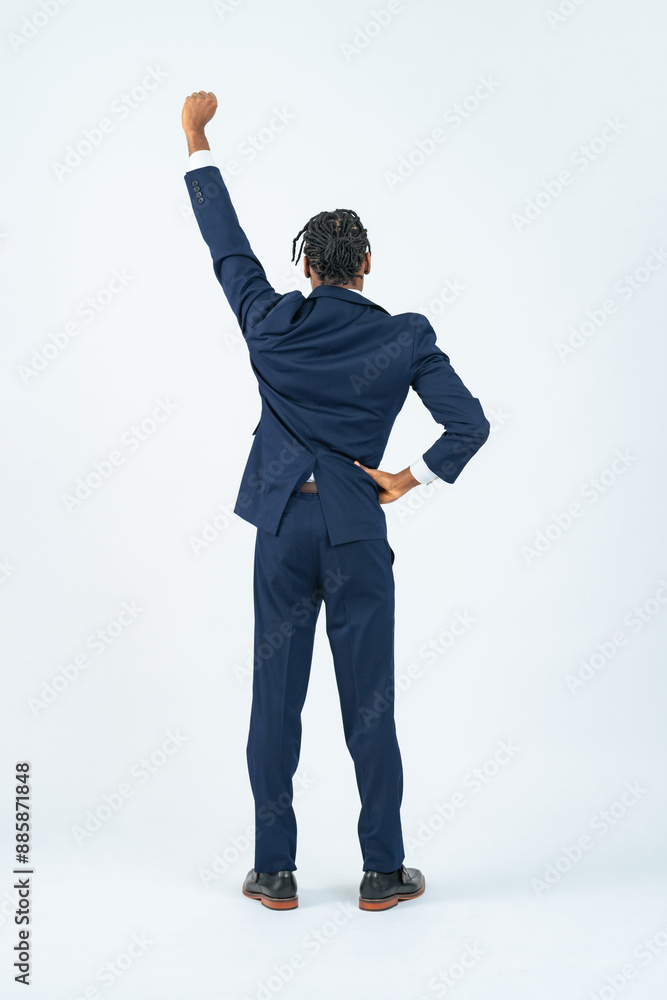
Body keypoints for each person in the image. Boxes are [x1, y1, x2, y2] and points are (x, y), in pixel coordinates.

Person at [181, 90, 490, 911]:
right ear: (367, 267)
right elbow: (469, 424)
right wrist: (408, 477)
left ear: (307, 270)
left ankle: (274, 873)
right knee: (369, 704)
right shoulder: (403, 335)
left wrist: (195, 140)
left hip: (282, 525)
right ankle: (382, 873)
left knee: (274, 700)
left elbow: (227, 248)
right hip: (355, 528)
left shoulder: (270, 322)